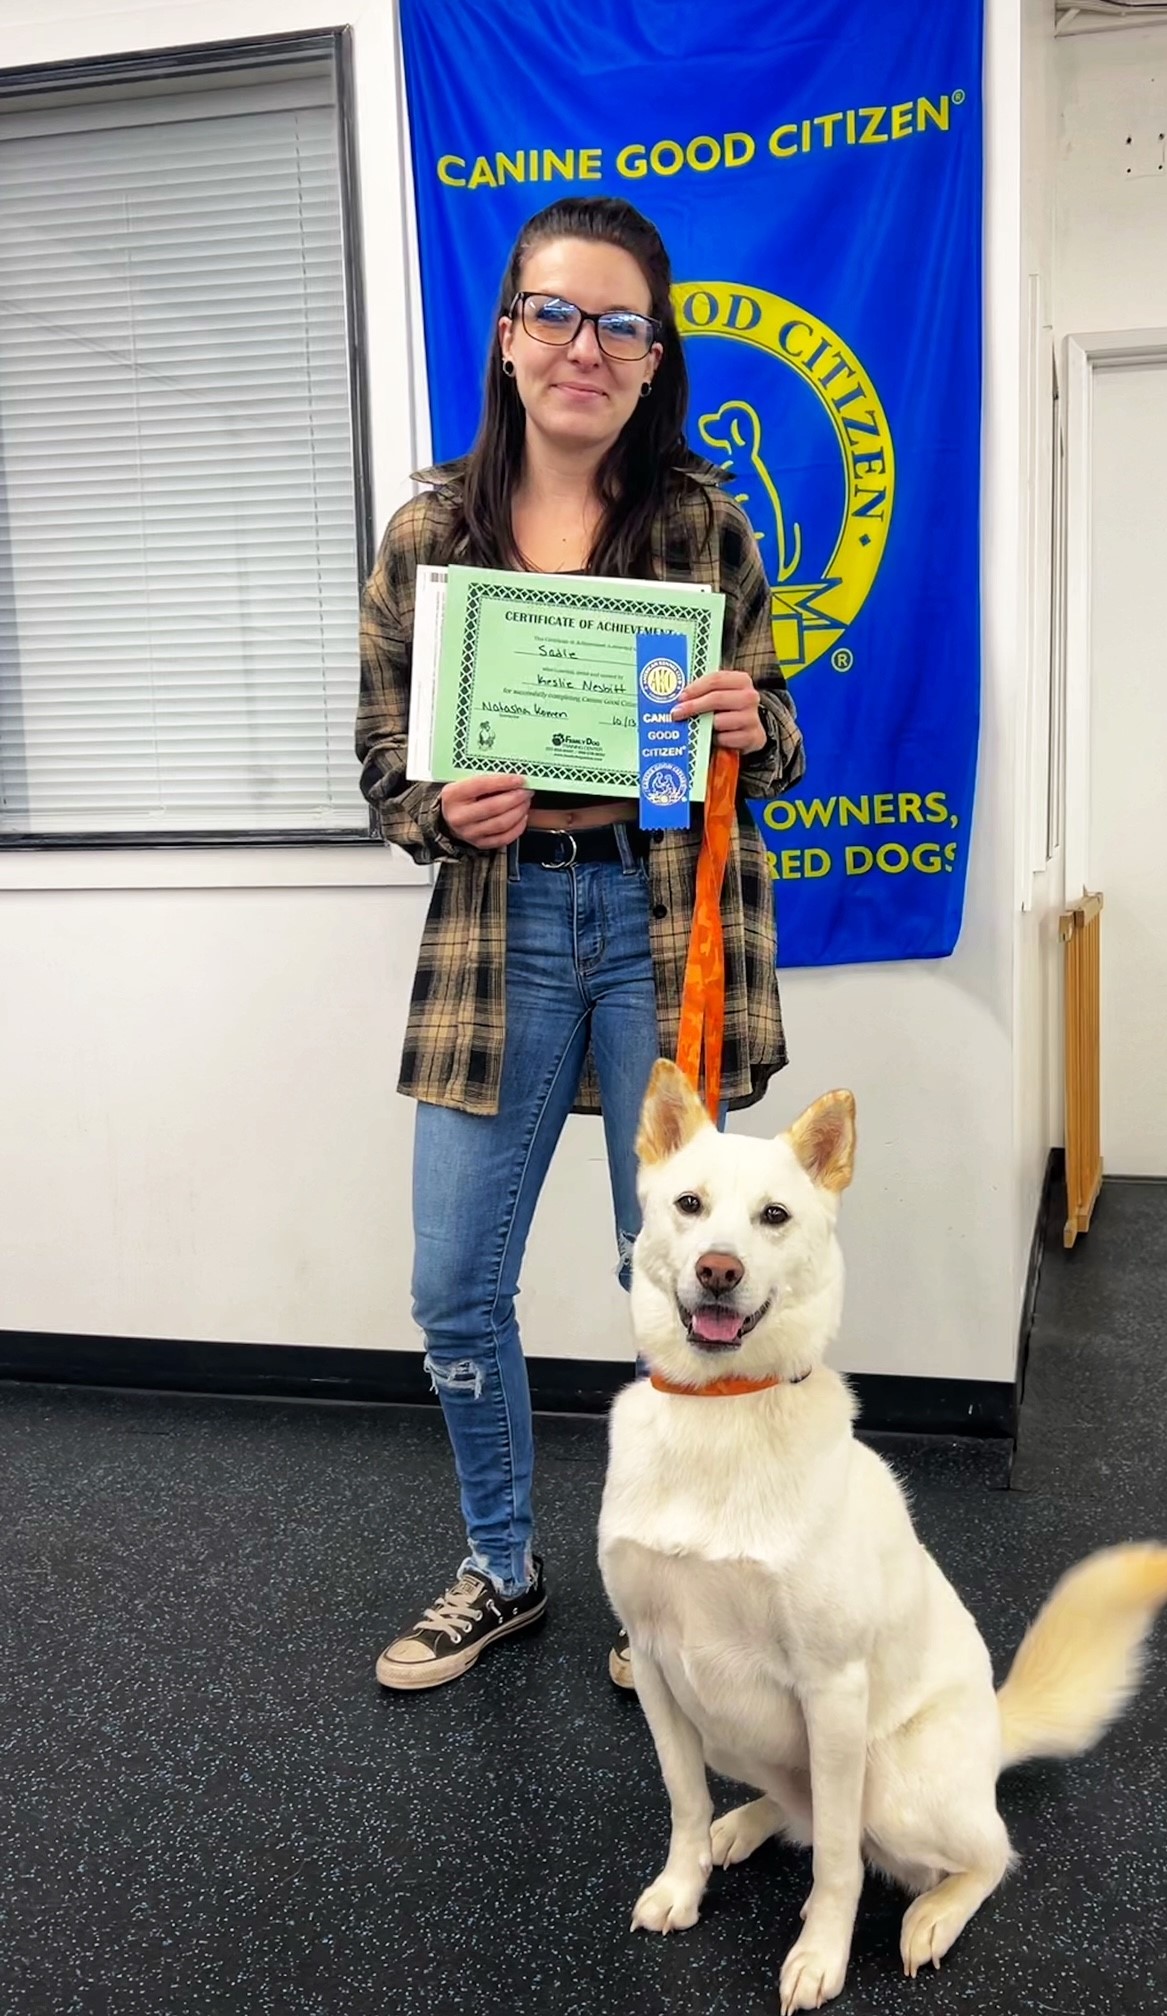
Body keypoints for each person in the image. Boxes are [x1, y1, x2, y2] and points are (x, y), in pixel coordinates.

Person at [355, 197, 803, 1693]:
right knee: (452, 1284)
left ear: (654, 355)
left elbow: (778, 729)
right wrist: (437, 810)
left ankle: (669, 1594)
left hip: (660, 922)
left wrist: (751, 723)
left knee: (681, 1277)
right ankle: (502, 1568)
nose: (583, 347)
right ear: (508, 336)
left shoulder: (699, 524)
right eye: (554, 313)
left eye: (620, 323)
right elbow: (382, 767)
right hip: (503, 927)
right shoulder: (431, 534)